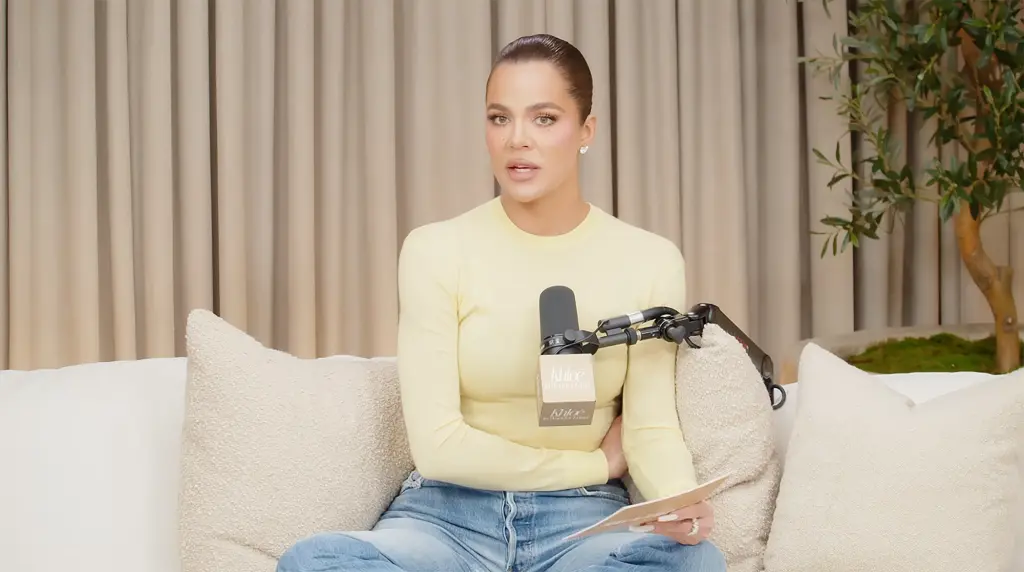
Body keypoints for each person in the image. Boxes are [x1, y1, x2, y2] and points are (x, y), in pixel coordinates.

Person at [277, 33, 726, 572]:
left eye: (543, 118)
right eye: (499, 118)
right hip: (445, 518)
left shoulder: (650, 258)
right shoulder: (435, 250)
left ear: (586, 130)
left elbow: (649, 426)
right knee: (316, 562)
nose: (517, 140)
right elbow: (439, 446)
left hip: (581, 525)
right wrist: (594, 464)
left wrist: (679, 501)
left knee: (694, 563)